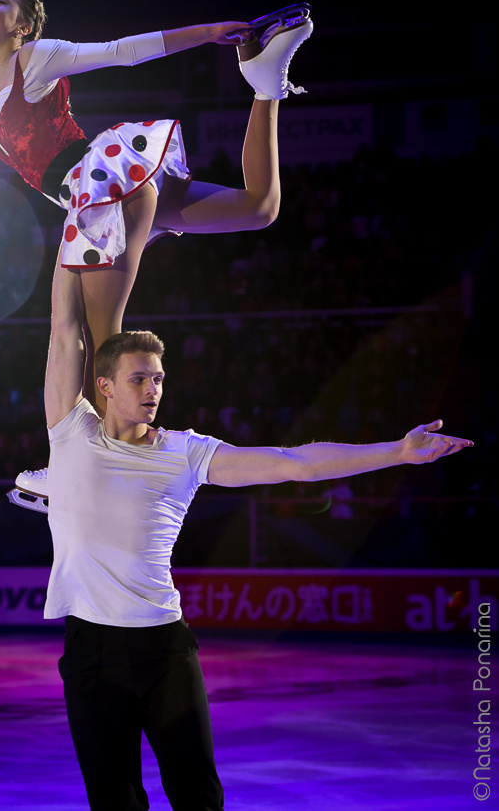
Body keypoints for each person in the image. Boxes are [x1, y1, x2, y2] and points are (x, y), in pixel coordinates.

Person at [30, 246, 473, 811]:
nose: (153, 389)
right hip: (90, 650)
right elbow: (64, 329)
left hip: (164, 648)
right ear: (105, 385)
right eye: (139, 378)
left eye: (159, 379)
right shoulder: (71, 434)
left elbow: (295, 463)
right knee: (113, 800)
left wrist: (396, 452)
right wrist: (74, 233)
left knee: (198, 797)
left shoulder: (186, 454)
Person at [0, 0, 312, 410]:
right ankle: (266, 84)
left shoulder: (34, 58)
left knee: (101, 342)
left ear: (22, 27)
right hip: (103, 190)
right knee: (259, 207)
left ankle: (106, 462)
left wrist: (207, 33)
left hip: (102, 184)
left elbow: (121, 51)